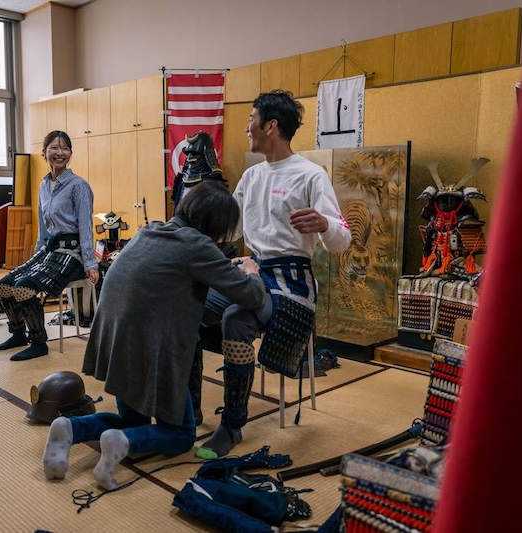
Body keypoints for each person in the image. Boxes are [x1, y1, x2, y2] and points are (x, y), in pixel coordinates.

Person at [42, 181, 265, 490]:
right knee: (181, 435)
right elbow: (251, 296)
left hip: (113, 339)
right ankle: (122, 442)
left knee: (134, 419)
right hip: (149, 348)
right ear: (215, 225)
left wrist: (221, 266)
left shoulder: (152, 230)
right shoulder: (198, 246)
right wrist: (252, 270)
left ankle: (69, 428)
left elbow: (174, 271)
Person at [195, 90, 352, 459]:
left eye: (251, 118)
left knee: (236, 318)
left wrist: (325, 222)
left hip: (292, 284)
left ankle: (232, 425)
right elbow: (229, 231)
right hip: (251, 271)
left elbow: (341, 240)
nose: (246, 126)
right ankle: (187, 410)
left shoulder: (311, 175)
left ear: (271, 125)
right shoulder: (251, 176)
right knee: (191, 307)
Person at [0, 130, 99, 361]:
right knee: (5, 284)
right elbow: (42, 228)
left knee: (23, 287)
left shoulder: (79, 186)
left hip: (73, 254)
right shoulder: (43, 185)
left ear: (70, 153)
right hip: (49, 251)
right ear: (44, 152)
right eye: (54, 147)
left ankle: (39, 342)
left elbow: (85, 226)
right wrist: (35, 258)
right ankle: (18, 334)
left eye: (65, 148)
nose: (59, 153)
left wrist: (91, 263)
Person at [170, 130, 233, 426]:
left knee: (190, 320)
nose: (191, 158)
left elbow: (224, 230)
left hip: (209, 253)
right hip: (181, 253)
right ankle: (182, 402)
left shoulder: (215, 184)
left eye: (196, 154)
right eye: (188, 154)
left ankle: (191, 405)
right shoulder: (182, 179)